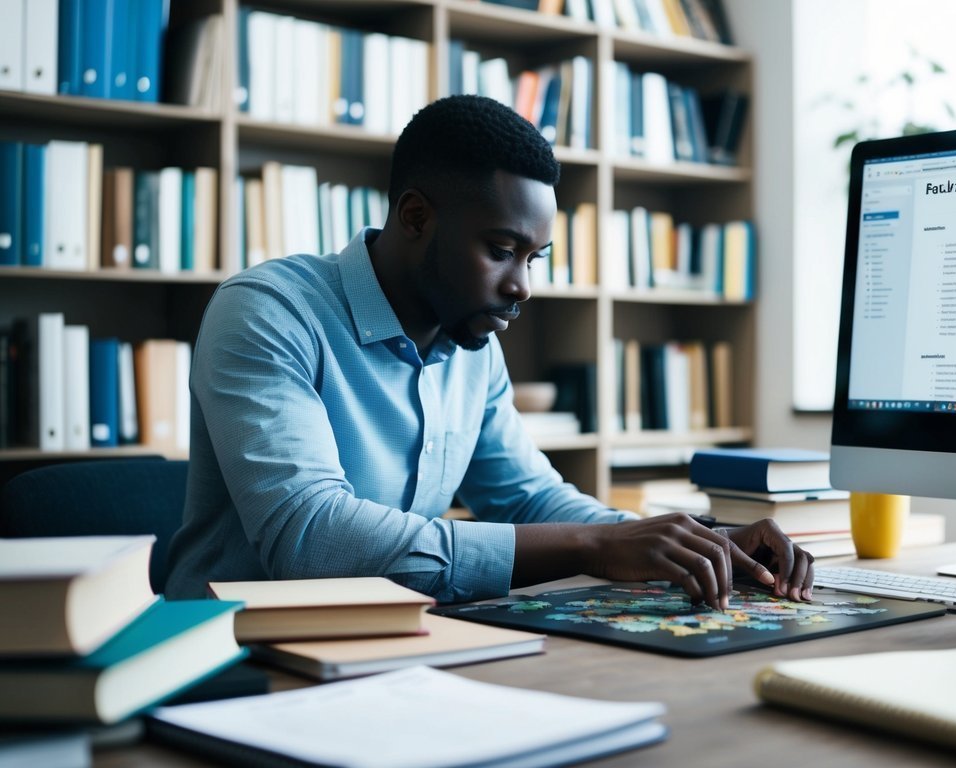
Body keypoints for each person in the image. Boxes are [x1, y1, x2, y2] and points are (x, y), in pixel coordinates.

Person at [165, 95, 814, 610]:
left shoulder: (469, 339)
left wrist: (694, 542)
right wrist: (596, 544)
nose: (521, 286)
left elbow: (531, 501)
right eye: (501, 251)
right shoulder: (267, 312)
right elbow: (309, 540)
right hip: (231, 657)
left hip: (391, 641)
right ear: (415, 218)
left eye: (534, 258)